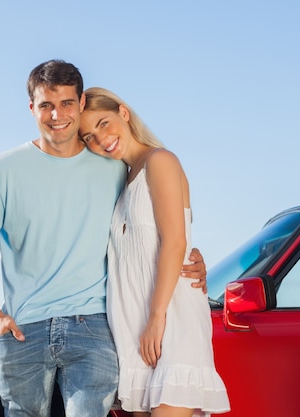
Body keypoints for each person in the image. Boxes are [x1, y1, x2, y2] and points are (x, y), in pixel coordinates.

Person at [0, 60, 208, 417]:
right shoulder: (1, 170)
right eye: (46, 105)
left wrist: (193, 260)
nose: (56, 115)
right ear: (32, 108)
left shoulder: (115, 165)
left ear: (80, 103)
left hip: (93, 325)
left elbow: (163, 230)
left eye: (66, 103)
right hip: (23, 328)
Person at [79, 87, 231, 417]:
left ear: (124, 112)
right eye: (89, 136)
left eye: (104, 123)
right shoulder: (122, 182)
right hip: (136, 327)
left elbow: (175, 241)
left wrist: (156, 317)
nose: (101, 139)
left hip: (168, 317)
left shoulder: (160, 160)